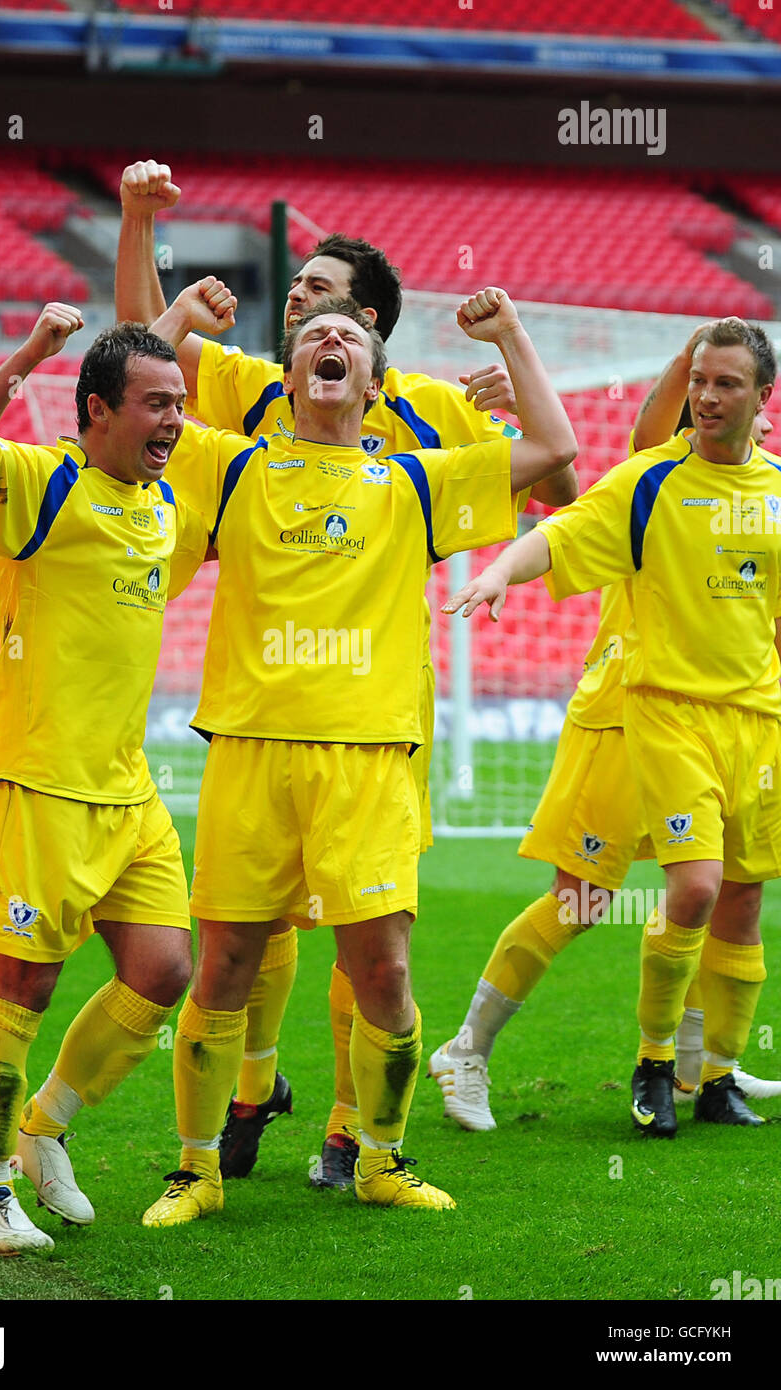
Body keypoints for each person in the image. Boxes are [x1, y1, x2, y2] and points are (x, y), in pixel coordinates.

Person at [116, 158, 578, 1188]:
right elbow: (145, 362)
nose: (302, 312)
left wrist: (509, 349)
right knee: (252, 940)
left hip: (380, 729)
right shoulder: (241, 424)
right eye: (297, 312)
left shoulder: (423, 440)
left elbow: (561, 464)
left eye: (324, 302)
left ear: (374, 359)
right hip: (254, 728)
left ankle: (355, 1138)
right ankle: (238, 1110)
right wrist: (144, 233)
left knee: (374, 947)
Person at [429, 328, 781, 1130]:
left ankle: (707, 1066)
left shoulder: (761, 491)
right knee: (587, 898)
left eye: (733, 388)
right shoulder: (655, 473)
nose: (714, 404)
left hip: (728, 716)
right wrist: (689, 352)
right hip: (625, 710)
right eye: (702, 383)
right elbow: (622, 469)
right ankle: (470, 1047)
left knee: (731, 896)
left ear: (767, 405)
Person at [0, 307, 208, 1253]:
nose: (174, 421)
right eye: (155, 405)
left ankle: (45, 1126)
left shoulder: (163, 508)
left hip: (126, 790)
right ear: (96, 410)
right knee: (24, 986)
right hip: (35, 784)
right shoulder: (43, 481)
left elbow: (136, 372)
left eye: (180, 404)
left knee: (164, 970)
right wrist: (32, 353)